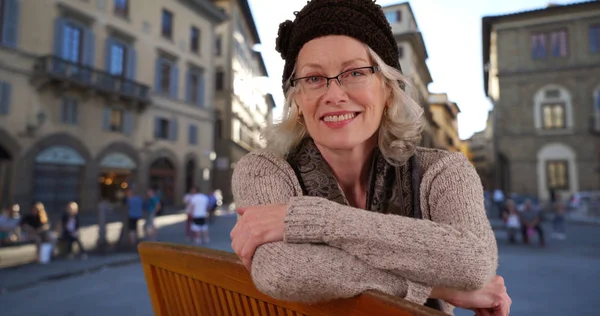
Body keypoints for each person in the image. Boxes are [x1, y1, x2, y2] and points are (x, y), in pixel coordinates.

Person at [229, 1, 511, 315]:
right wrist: (435, 286)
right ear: (297, 100)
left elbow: (474, 262)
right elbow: (282, 270)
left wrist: (310, 220)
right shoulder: (263, 170)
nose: (334, 95)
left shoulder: (444, 171)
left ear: (388, 89)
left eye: (355, 73)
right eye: (313, 78)